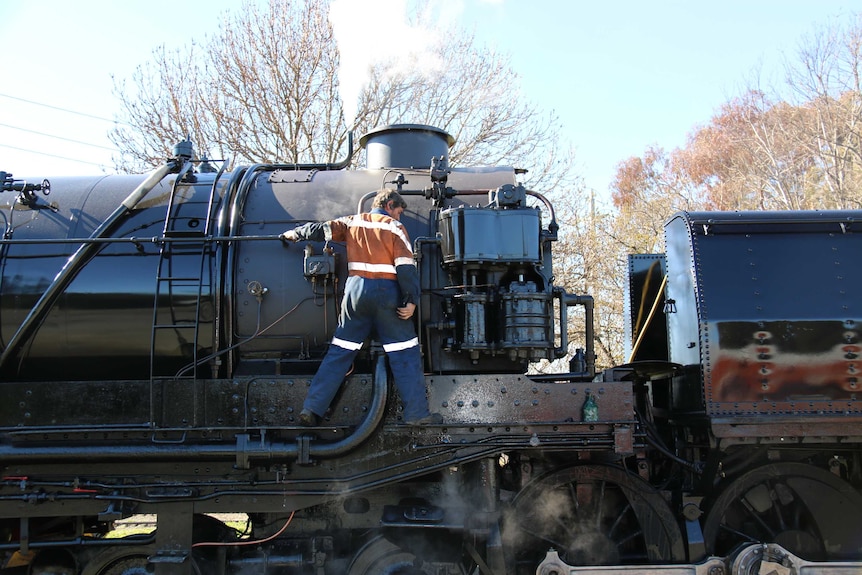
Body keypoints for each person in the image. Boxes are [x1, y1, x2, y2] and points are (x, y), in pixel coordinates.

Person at [280, 189, 442, 427]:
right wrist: (411, 300)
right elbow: (405, 267)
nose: (399, 217)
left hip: (355, 292)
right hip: (386, 292)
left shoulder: (352, 221)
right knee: (405, 352)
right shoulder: (394, 228)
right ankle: (417, 414)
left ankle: (312, 407)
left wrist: (294, 233)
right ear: (389, 205)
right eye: (399, 211)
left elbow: (320, 230)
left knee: (340, 351)